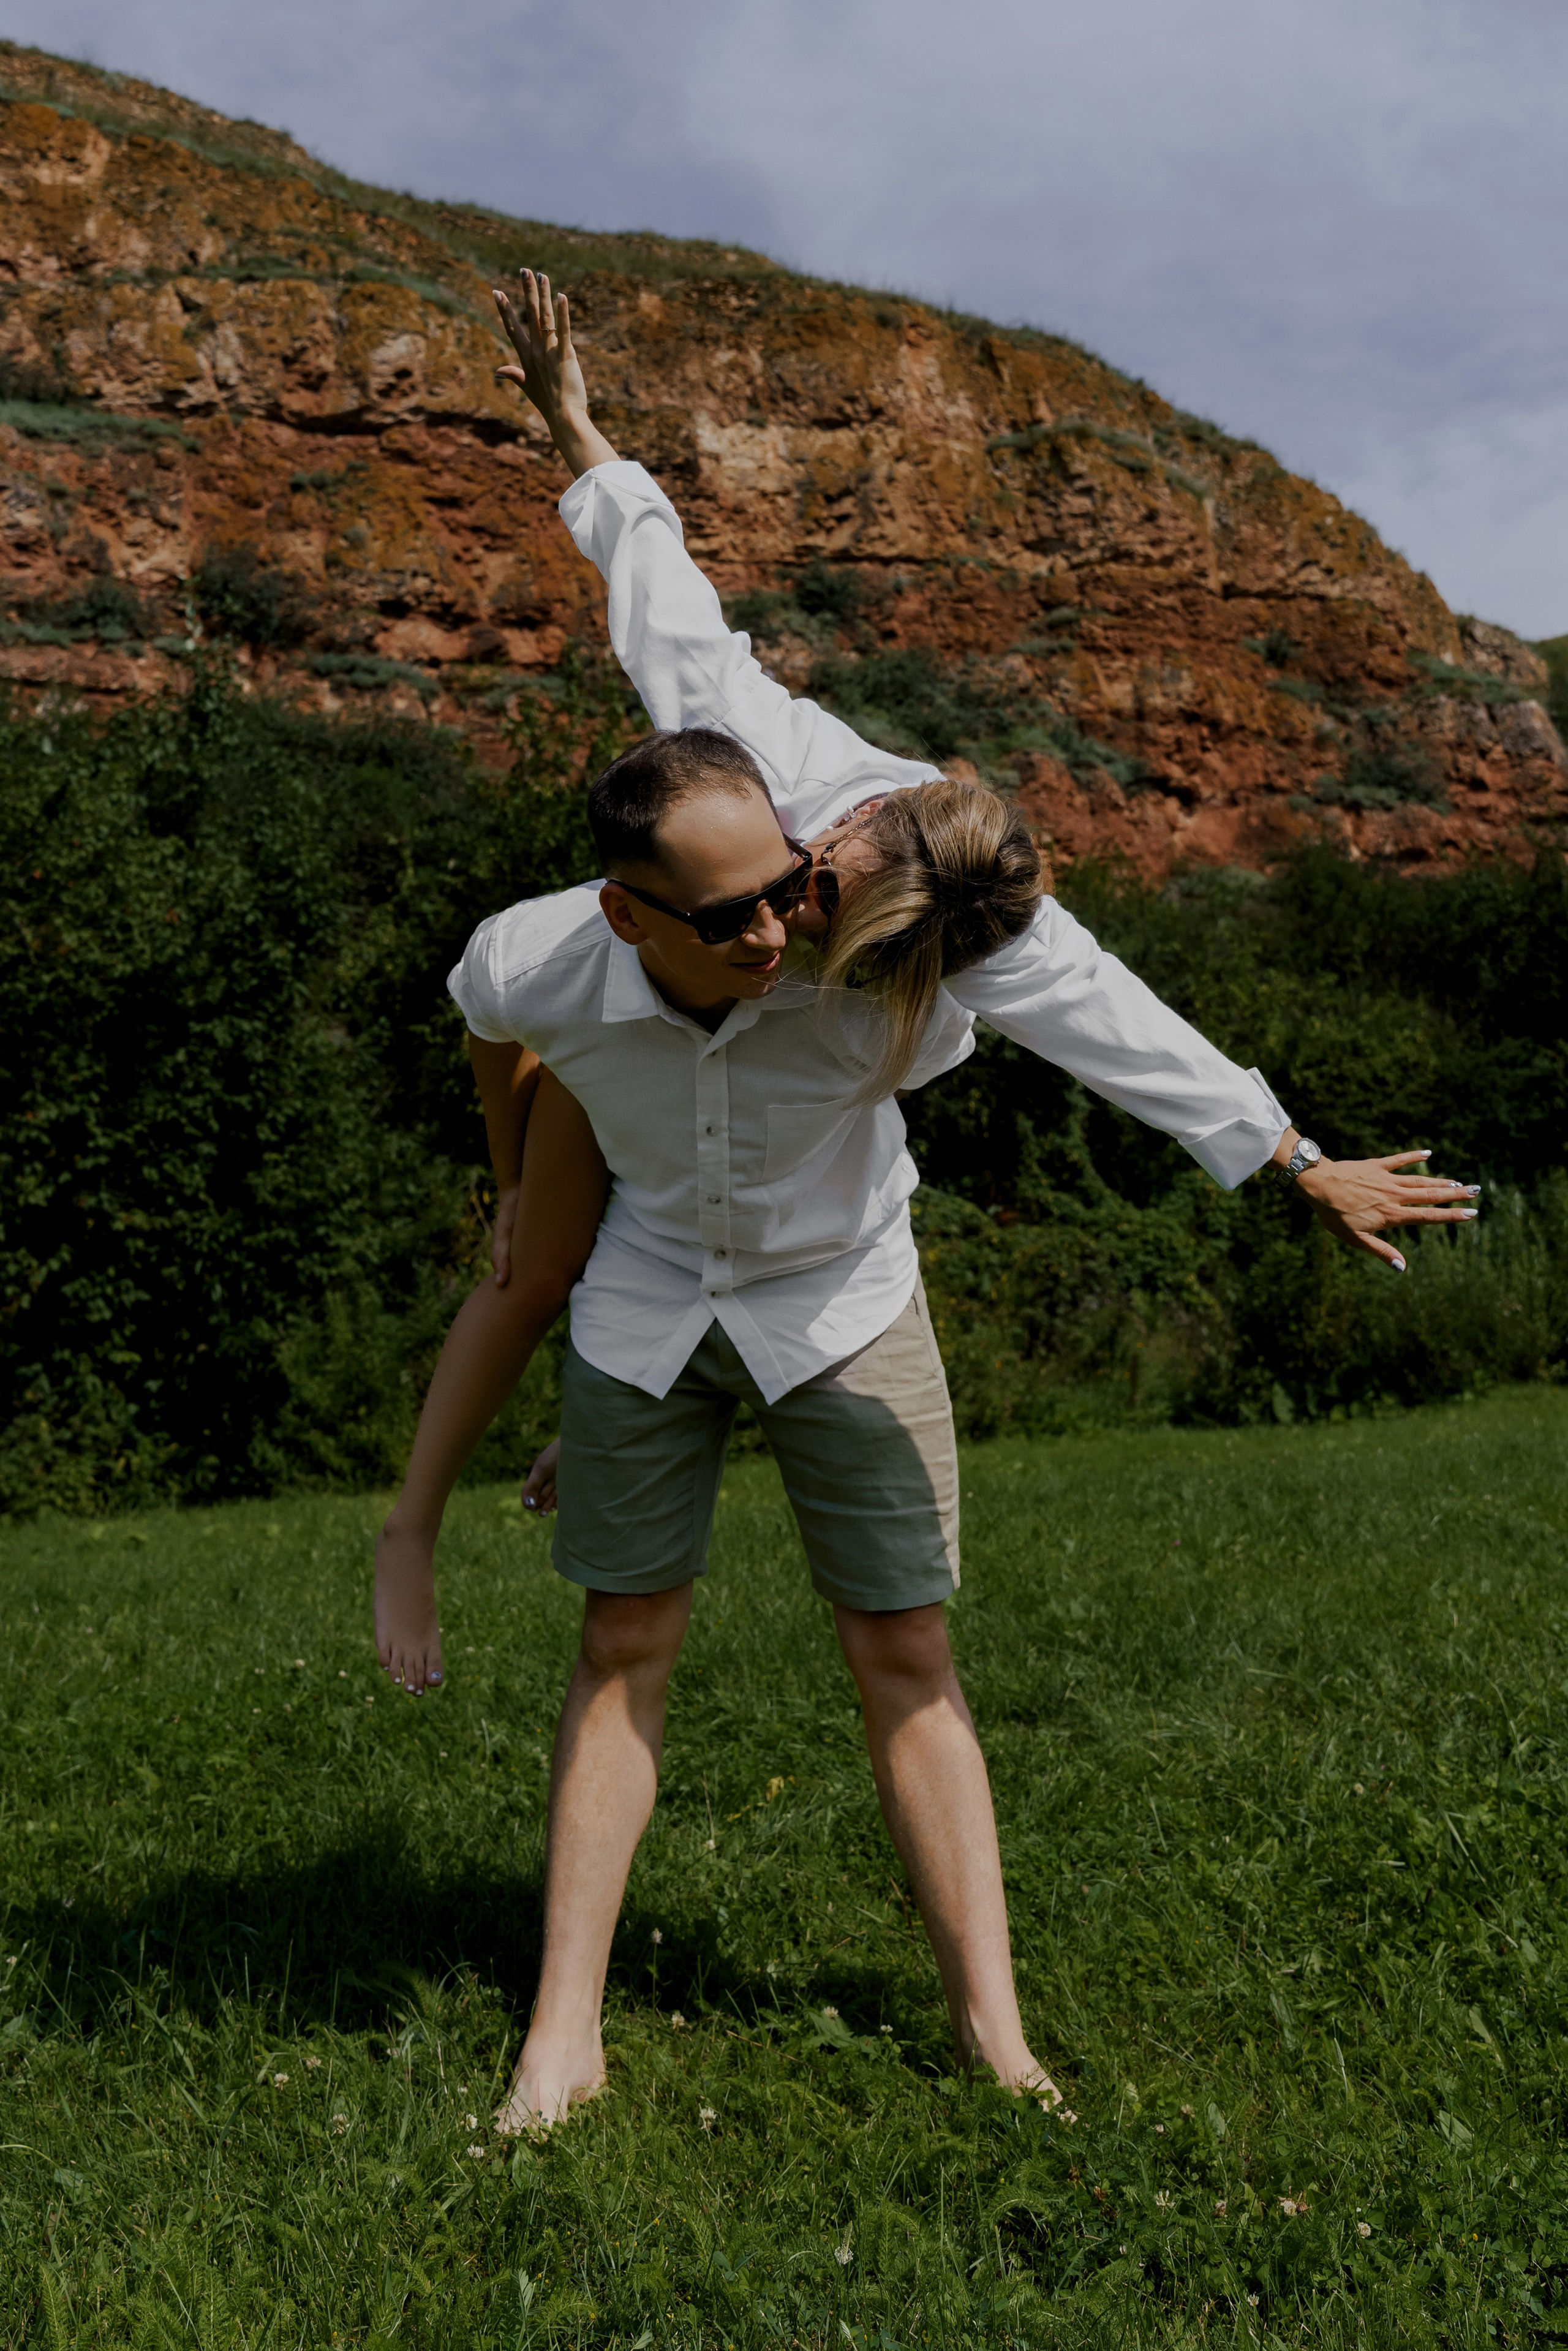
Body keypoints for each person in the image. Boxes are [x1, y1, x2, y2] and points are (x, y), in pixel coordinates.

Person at [376, 270, 1480, 2130]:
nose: (788, 917)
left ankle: (996, 2032)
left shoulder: (973, 947)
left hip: (840, 1299)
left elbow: (1135, 1036)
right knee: (620, 1643)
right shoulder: (770, 783)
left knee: (905, 1648)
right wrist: (580, 439)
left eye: (812, 922)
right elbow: (667, 609)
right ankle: (561, 2031)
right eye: (801, 886)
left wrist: (1291, 1161)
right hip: (650, 1288)